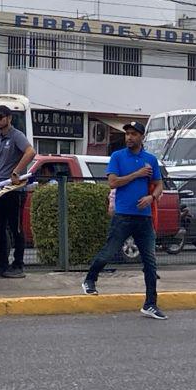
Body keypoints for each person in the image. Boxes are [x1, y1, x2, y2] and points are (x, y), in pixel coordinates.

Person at [81, 122, 168, 319]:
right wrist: (137, 174)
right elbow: (112, 182)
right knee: (108, 252)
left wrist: (151, 197)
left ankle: (150, 304)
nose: (129, 137)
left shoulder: (150, 160)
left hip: (144, 218)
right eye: (127, 134)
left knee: (150, 262)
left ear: (141, 137)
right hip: (123, 216)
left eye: (133, 134)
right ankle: (90, 279)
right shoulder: (118, 156)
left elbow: (159, 184)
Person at [0, 105, 36, 278]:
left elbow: (30, 152)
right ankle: (2, 264)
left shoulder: (16, 135)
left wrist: (17, 172)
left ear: (9, 118)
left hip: (14, 189)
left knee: (16, 228)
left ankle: (18, 265)